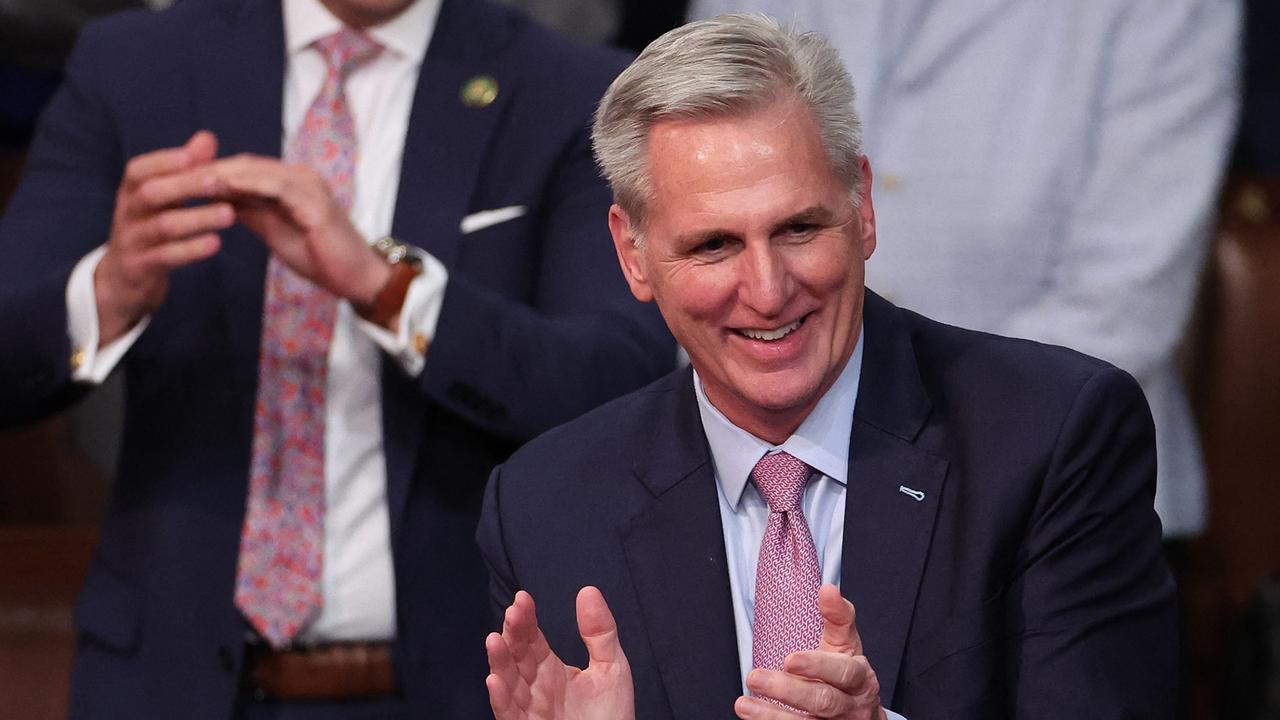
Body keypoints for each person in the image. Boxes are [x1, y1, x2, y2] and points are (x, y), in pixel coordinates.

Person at [477, 14, 1176, 720]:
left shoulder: (1051, 438)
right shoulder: (546, 506)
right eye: (714, 245)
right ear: (633, 254)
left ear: (862, 207)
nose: (769, 290)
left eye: (798, 229)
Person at [0, 0, 673, 717]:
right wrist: (107, 291)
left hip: (454, 684)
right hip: (167, 678)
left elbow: (619, 381)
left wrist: (391, 291)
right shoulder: (135, 64)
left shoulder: (570, 86)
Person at [683, 0, 1240, 541]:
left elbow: (1122, 300)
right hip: (752, 482)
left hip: (1049, 490)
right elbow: (690, 209)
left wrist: (895, 444)